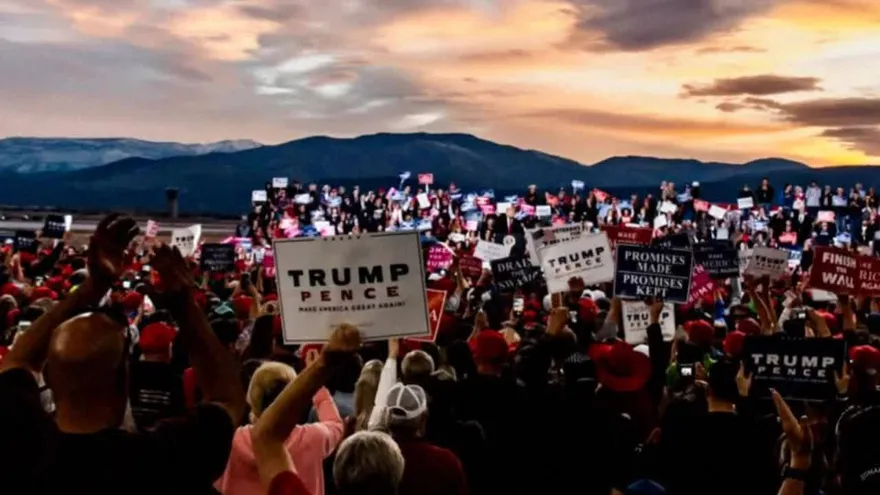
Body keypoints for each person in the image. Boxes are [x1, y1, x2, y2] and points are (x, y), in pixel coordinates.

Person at [0, 215, 246, 494]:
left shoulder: (18, 448)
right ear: (124, 380)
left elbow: (17, 361)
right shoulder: (162, 462)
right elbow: (227, 399)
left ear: (48, 378)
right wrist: (183, 303)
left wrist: (93, 288)